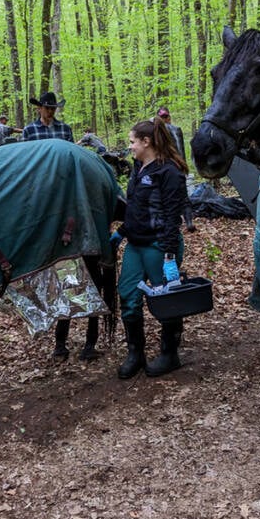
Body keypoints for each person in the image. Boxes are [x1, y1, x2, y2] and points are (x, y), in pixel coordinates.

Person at [112, 117, 192, 379]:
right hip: (136, 244)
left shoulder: (169, 172)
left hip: (159, 245)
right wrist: (121, 232)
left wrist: (169, 255)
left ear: (147, 142)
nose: (130, 146)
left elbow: (172, 216)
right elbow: (135, 207)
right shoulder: (138, 166)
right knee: (128, 296)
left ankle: (170, 354)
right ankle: (136, 353)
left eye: (133, 141)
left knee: (165, 301)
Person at [156, 106, 195, 231]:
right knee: (183, 195)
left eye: (166, 116)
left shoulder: (158, 132)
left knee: (170, 196)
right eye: (163, 117)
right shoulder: (175, 129)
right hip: (176, 165)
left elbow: (180, 149)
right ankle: (188, 221)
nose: (165, 119)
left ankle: (182, 222)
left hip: (167, 166)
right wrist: (183, 165)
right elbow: (181, 150)